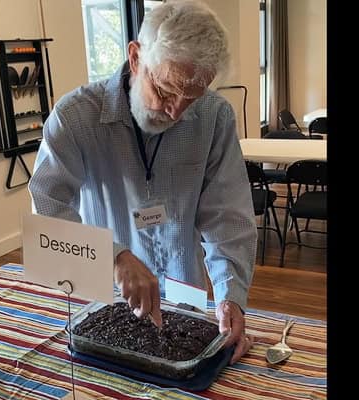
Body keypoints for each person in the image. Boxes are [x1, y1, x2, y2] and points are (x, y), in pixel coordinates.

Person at [29, 0, 258, 364]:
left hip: (188, 298)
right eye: (166, 91)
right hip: (107, 298)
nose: (176, 111)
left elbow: (227, 215)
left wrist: (231, 296)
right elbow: (47, 214)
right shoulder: (75, 118)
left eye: (191, 98)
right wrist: (115, 257)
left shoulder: (213, 115)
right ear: (135, 58)